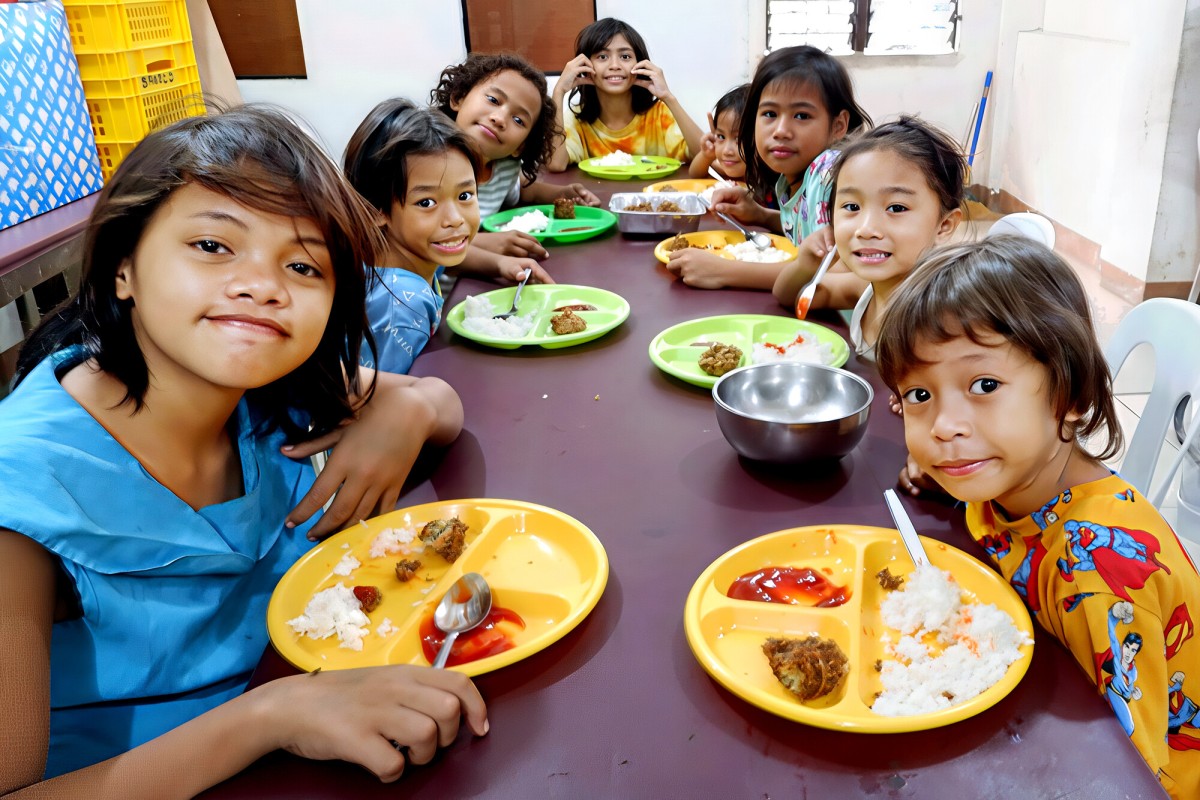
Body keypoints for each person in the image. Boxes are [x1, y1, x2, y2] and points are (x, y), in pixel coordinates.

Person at [0, 106, 487, 795]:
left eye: (301, 265)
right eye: (212, 246)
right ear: (123, 266)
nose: (263, 285)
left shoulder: (263, 386)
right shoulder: (19, 484)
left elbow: (442, 404)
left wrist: (402, 408)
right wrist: (269, 717)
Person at [876, 236, 1200, 800]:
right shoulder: (1008, 472)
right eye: (920, 395)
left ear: (1070, 395)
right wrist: (947, 471)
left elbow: (1126, 777)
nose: (946, 426)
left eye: (984, 386)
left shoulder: (1096, 576)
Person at [772, 117, 965, 360]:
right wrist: (806, 264)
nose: (866, 229)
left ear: (944, 225)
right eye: (852, 206)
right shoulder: (866, 288)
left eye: (896, 208)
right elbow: (790, 296)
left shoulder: (939, 318)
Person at [344, 99, 489, 374]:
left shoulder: (403, 258)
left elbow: (450, 261)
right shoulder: (402, 304)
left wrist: (500, 264)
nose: (455, 219)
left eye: (465, 196)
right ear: (375, 209)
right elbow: (381, 403)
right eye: (426, 203)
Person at [432, 52, 598, 281]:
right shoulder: (429, 165)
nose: (499, 118)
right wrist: (487, 246)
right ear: (458, 97)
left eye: (519, 120)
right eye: (493, 100)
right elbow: (416, 241)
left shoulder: (504, 167)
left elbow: (521, 191)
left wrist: (560, 193)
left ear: (520, 147)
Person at [708, 45, 871, 248]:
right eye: (770, 114)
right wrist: (760, 214)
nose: (781, 130)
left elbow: (826, 269)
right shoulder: (789, 179)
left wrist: (724, 270)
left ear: (837, 126)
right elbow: (805, 231)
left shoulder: (825, 171)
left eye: (802, 116)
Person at [547, 17, 704, 170]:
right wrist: (559, 92)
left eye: (625, 56)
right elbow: (556, 164)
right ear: (585, 65)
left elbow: (705, 154)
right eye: (602, 57)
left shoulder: (659, 115)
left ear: (641, 64)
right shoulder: (577, 119)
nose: (615, 65)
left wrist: (668, 97)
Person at [687, 83, 750, 181]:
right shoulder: (732, 167)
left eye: (738, 138)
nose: (726, 150)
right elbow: (695, 175)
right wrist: (706, 155)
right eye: (721, 136)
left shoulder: (768, 182)